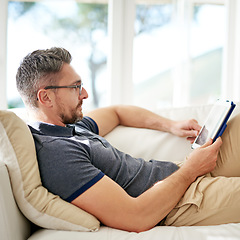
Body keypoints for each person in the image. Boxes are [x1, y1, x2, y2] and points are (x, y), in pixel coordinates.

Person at [16, 47, 240, 232]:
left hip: (180, 172)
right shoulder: (57, 155)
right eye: (75, 87)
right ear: (45, 97)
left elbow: (117, 112)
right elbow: (135, 216)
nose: (84, 94)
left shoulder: (71, 128)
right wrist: (192, 170)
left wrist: (171, 125)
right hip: (180, 201)